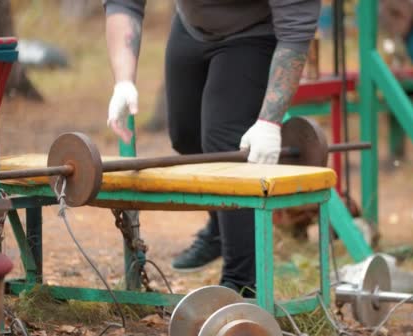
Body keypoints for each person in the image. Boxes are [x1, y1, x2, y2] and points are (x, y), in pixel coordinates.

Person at [103, 0, 320, 296]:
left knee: (222, 140)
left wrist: (269, 121)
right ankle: (222, 224)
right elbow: (124, 3)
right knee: (185, 135)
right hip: (192, 26)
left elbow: (296, 33)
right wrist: (123, 82)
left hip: (254, 32)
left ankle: (241, 285)